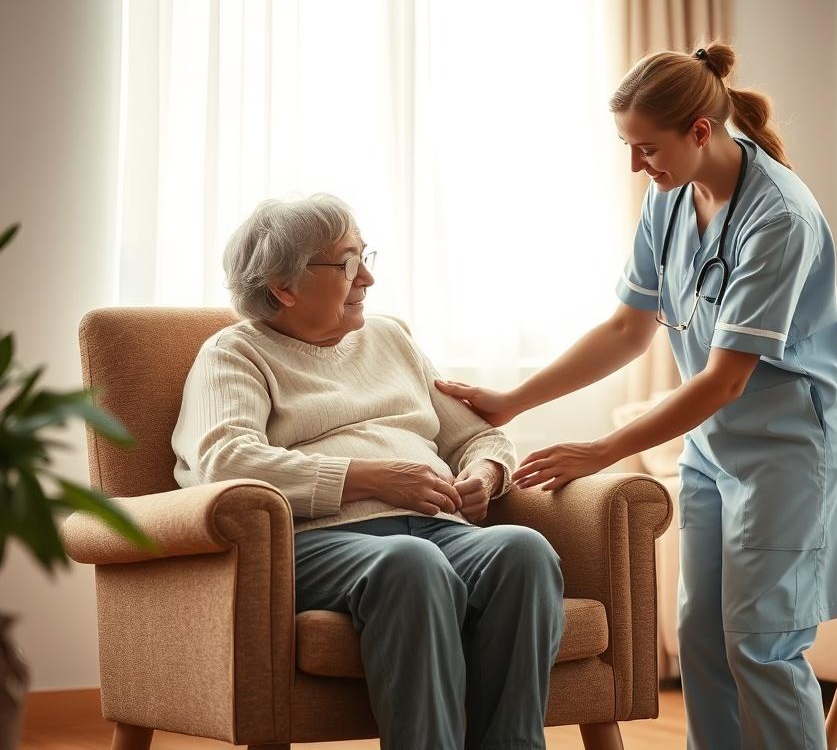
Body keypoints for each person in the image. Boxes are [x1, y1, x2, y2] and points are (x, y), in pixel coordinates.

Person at [436, 44, 837, 750]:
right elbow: (626, 328)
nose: (637, 165)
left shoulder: (779, 217)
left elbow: (726, 378)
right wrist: (513, 401)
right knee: (700, 638)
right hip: (713, 450)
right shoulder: (667, 198)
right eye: (628, 147)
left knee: (760, 644)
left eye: (646, 147)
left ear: (700, 130)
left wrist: (602, 451)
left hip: (790, 451)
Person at [171, 193, 564, 750]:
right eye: (349, 263)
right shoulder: (234, 354)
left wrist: (485, 475)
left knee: (522, 551)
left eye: (365, 256)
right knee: (411, 562)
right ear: (284, 287)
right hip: (314, 542)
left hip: (437, 528)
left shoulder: (390, 339)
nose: (369, 278)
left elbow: (477, 435)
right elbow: (226, 460)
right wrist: (372, 478)